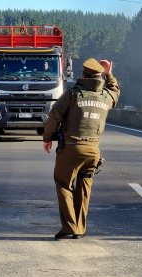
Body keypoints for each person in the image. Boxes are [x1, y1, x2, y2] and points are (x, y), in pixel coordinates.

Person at [42, 58, 120, 239]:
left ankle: (70, 227)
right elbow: (116, 91)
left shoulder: (72, 94)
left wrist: (47, 138)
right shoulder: (106, 96)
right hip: (93, 151)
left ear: (83, 75)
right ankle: (80, 228)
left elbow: (54, 116)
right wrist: (109, 73)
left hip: (71, 148)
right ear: (99, 76)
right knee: (84, 187)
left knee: (63, 184)